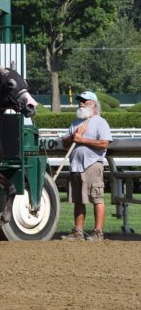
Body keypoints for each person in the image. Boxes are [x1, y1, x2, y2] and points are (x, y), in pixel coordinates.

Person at [62, 91, 112, 241]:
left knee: (97, 198)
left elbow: (104, 143)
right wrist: (73, 137)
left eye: (84, 100)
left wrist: (82, 140)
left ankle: (98, 232)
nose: (80, 103)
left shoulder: (100, 122)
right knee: (78, 200)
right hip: (76, 166)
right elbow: (65, 143)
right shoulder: (76, 123)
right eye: (80, 100)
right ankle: (78, 232)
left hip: (92, 165)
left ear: (93, 104)